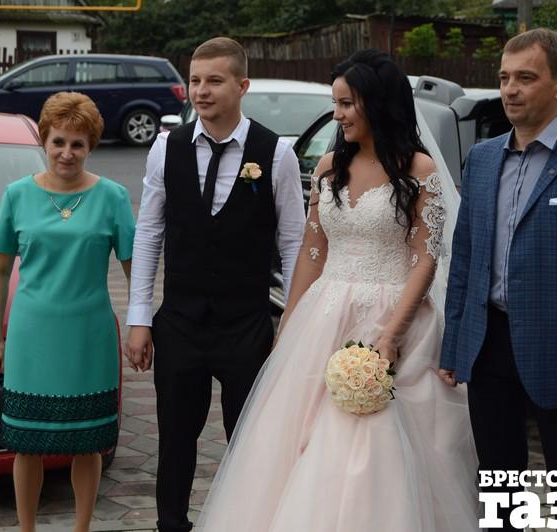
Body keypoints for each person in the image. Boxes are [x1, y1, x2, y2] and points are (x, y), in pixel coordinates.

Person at [195, 49, 480, 531]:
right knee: (299, 439)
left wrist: (392, 333)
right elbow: (313, 252)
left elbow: (425, 259)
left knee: (376, 442)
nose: (338, 115)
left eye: (347, 104)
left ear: (377, 103)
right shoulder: (329, 166)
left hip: (394, 315)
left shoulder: (419, 169)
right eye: (336, 103)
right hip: (323, 317)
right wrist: (288, 326)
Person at [439, 28, 557, 532]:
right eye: (505, 78)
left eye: (526, 78)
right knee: (498, 489)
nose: (511, 89)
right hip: (488, 347)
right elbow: (465, 259)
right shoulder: (482, 160)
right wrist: (455, 345)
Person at [124, 37, 306, 532]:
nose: (201, 91)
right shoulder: (166, 148)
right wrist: (139, 318)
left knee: (250, 443)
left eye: (214, 81)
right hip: (179, 322)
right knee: (175, 441)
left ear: (242, 86)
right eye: (195, 80)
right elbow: (149, 233)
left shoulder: (277, 154)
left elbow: (294, 243)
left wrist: (294, 321)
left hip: (246, 324)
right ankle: (171, 525)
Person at [0, 91, 134, 532]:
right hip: (31, 334)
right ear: (44, 141)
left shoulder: (113, 197)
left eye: (77, 144)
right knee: (27, 443)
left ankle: (82, 527)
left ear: (91, 147)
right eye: (58, 142)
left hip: (89, 333)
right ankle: (26, 528)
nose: (66, 153)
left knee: (88, 442)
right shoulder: (16, 195)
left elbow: (135, 270)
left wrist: (139, 327)